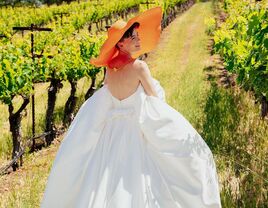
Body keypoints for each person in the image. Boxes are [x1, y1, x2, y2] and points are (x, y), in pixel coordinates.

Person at [40, 7, 222, 208]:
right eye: (132, 37)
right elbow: (155, 99)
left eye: (137, 35)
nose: (138, 39)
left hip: (112, 131)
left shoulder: (109, 69)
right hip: (136, 128)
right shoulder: (139, 67)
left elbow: (109, 96)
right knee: (138, 175)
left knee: (106, 176)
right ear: (120, 43)